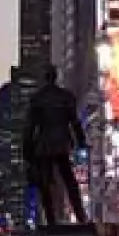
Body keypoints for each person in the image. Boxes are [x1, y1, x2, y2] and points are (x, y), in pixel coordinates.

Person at [23, 65, 88, 226]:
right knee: (69, 181)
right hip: (61, 143)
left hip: (44, 145)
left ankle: (51, 219)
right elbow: (75, 122)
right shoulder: (65, 97)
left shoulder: (38, 98)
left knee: (46, 183)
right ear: (55, 77)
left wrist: (27, 149)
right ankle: (80, 216)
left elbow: (30, 127)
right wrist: (81, 141)